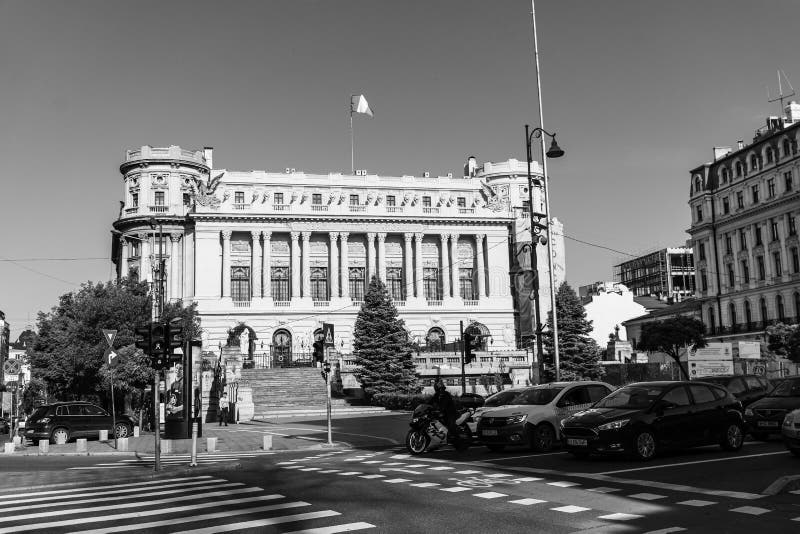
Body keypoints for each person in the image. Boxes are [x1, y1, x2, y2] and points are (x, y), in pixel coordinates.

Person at [431, 380, 459, 447]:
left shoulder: (446, 394)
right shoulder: (436, 395)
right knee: (433, 422)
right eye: (436, 388)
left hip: (450, 412)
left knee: (450, 424)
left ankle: (455, 439)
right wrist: (425, 406)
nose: (437, 390)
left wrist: (440, 410)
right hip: (442, 413)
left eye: (438, 388)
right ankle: (436, 439)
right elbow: (431, 401)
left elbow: (444, 404)